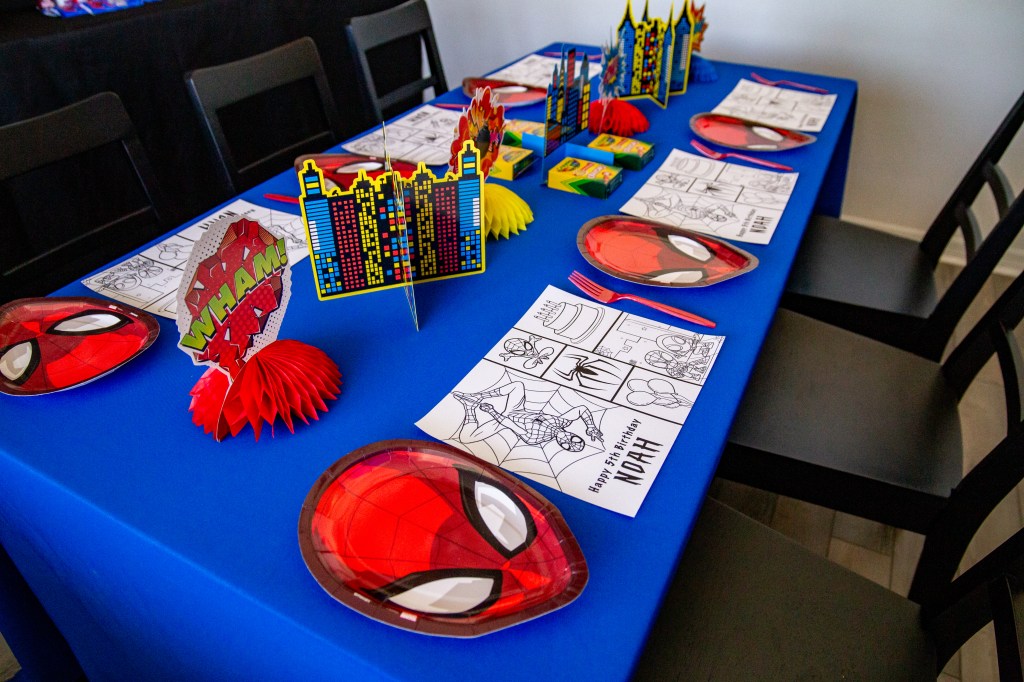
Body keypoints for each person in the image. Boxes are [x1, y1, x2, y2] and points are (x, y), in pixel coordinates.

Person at [453, 381, 603, 453]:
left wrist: (492, 411)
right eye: (573, 439)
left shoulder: (536, 438)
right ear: (574, 434)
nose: (566, 440)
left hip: (502, 421)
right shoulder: (563, 421)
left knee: (466, 438)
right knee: (517, 386)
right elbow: (581, 409)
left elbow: (509, 424)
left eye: (566, 446)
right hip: (517, 409)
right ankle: (476, 396)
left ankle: (470, 409)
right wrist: (590, 426)